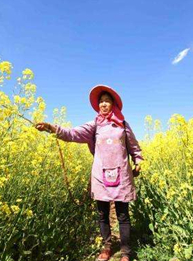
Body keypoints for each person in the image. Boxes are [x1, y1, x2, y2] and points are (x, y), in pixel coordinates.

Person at [35, 85, 143, 261]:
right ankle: (107, 247)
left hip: (122, 173)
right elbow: (72, 133)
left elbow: (134, 147)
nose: (103, 104)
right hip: (100, 175)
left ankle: (125, 252)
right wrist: (51, 128)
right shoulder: (95, 125)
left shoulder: (123, 125)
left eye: (107, 101)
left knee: (123, 214)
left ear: (113, 104)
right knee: (102, 214)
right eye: (101, 101)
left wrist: (138, 162)